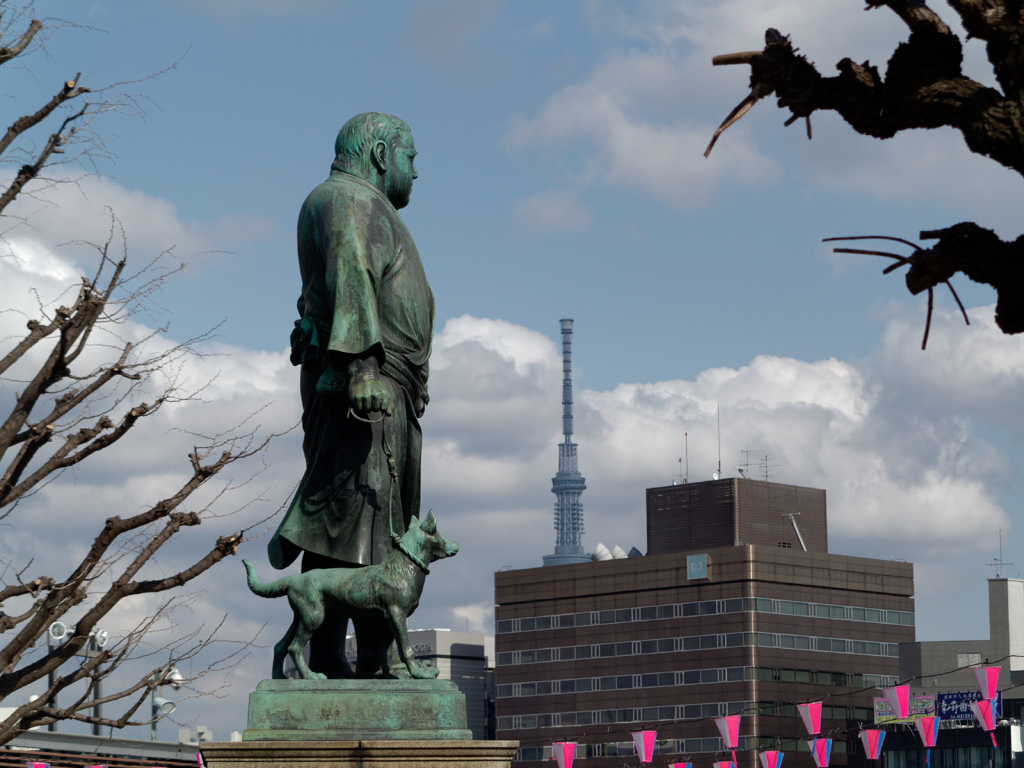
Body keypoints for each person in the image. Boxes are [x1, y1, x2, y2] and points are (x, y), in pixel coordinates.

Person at [268, 113, 433, 678]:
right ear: (384, 155)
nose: (417, 172)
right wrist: (362, 369)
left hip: (384, 386)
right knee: (359, 513)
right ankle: (359, 657)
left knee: (355, 518)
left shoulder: (356, 203)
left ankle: (350, 654)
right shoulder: (347, 202)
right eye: (412, 158)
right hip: (364, 384)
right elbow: (352, 274)